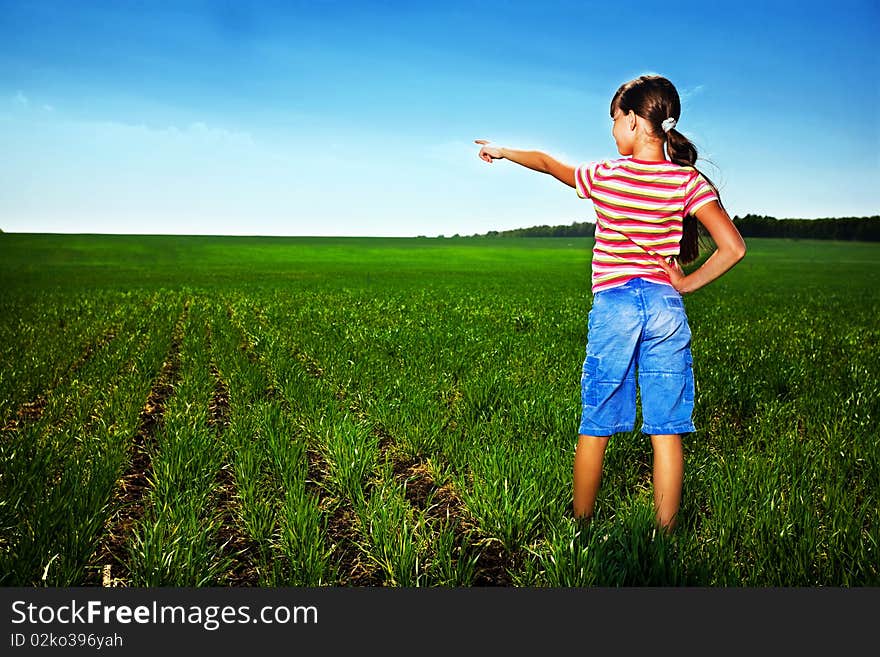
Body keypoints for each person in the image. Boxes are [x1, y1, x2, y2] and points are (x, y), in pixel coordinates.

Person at [475, 74, 746, 533]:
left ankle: (580, 525)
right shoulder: (686, 182)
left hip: (615, 307)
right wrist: (683, 285)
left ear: (637, 121)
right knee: (667, 427)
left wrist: (502, 151)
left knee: (597, 419)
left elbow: (545, 162)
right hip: (665, 309)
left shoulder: (605, 175)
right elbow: (733, 247)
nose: (612, 130)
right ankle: (665, 537)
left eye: (615, 120)